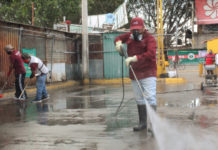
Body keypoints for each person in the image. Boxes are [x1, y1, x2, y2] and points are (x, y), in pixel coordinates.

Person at [114, 17, 157, 132]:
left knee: (150, 97)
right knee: (139, 99)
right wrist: (118, 44)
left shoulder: (150, 39)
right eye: (133, 30)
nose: (135, 32)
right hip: (135, 73)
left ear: (143, 28)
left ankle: (153, 125)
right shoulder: (129, 36)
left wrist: (134, 58)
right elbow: (117, 38)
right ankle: (142, 123)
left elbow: (151, 54)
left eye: (138, 29)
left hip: (148, 72)